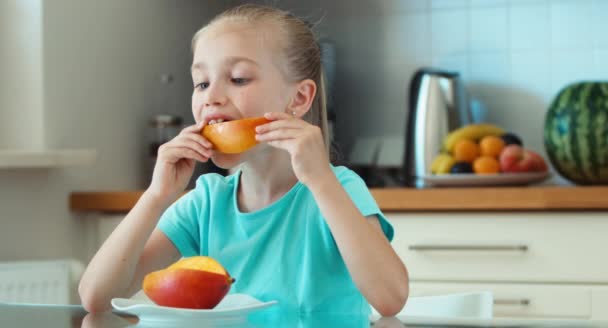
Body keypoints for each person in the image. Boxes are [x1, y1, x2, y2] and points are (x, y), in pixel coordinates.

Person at [78, 4, 409, 315]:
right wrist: (156, 196)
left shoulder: (337, 189)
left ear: (299, 97)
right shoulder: (205, 204)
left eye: (238, 79)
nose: (211, 97)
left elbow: (390, 299)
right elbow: (96, 298)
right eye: (201, 83)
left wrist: (321, 181)